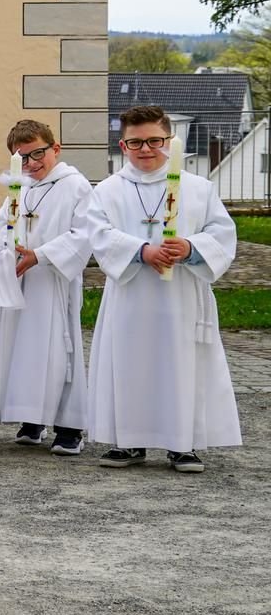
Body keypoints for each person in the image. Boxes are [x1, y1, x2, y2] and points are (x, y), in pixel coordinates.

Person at [84, 105, 241, 473]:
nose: (146, 149)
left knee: (180, 366)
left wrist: (190, 247)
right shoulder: (107, 191)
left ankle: (181, 444)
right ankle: (128, 443)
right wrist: (141, 251)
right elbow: (99, 234)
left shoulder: (199, 189)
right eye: (135, 142)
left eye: (155, 140)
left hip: (181, 298)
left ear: (170, 142)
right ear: (123, 145)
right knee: (129, 365)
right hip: (131, 297)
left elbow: (222, 233)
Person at [0, 119, 94, 456]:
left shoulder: (76, 186)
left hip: (52, 282)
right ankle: (31, 420)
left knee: (60, 353)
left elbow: (85, 234)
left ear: (55, 149)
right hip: (20, 281)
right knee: (22, 352)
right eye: (22, 158)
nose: (32, 163)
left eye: (38, 154)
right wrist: (4, 254)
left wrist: (41, 255)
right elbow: (0, 228)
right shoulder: (21, 189)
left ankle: (68, 426)